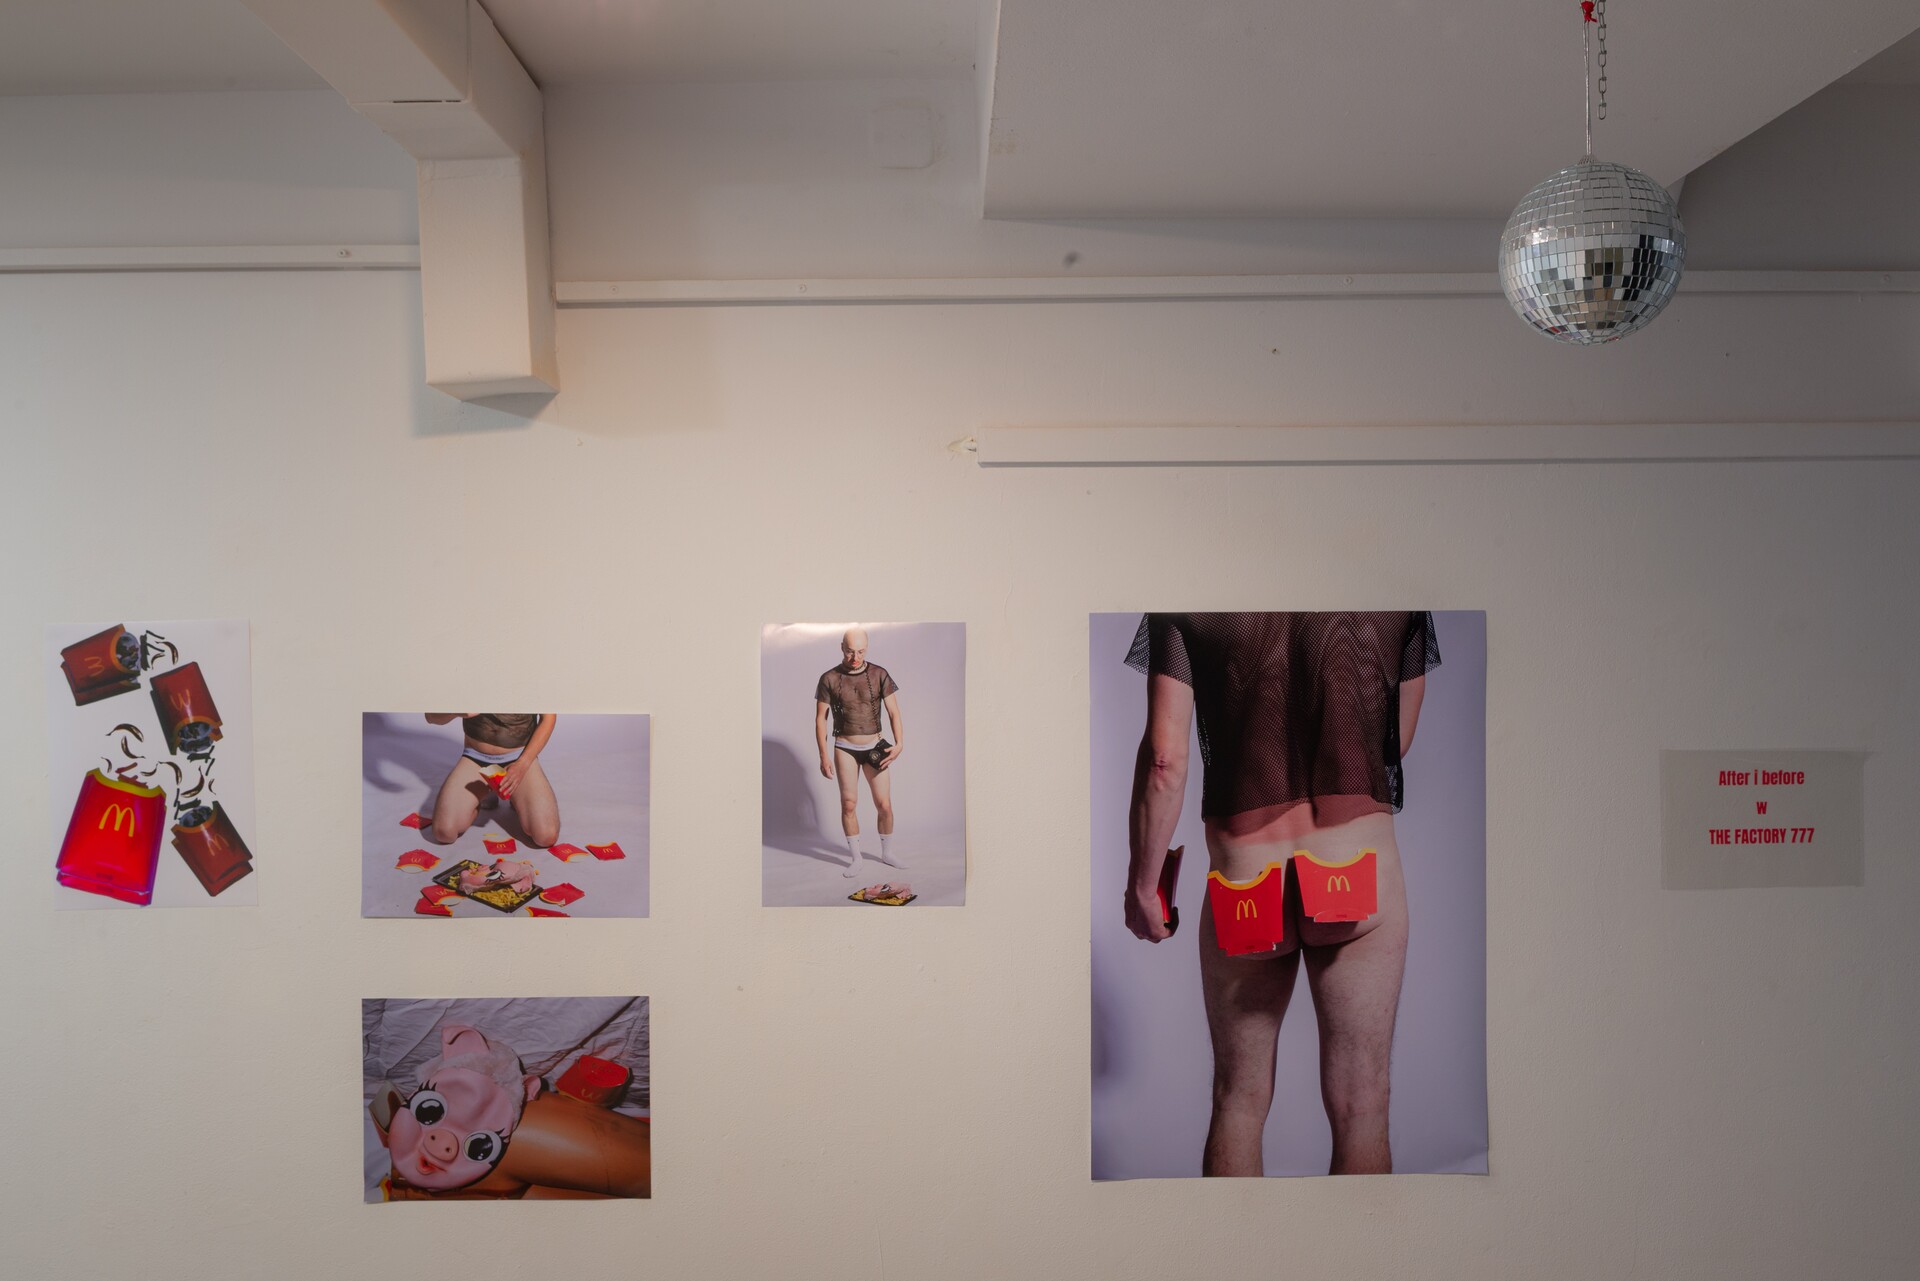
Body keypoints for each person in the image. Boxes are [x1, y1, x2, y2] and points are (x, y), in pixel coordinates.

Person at [1122, 612, 1440, 1176]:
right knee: (1362, 1106)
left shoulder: (1189, 599)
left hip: (1245, 877)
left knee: (1237, 1101)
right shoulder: (1393, 599)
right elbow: (1393, 739)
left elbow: (1164, 762)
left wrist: (1144, 886)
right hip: (1353, 863)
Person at [815, 628, 907, 877]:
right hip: (844, 747)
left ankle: (887, 853)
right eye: (850, 651)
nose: (855, 657)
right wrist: (823, 755)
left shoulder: (879, 674)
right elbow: (821, 719)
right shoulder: (829, 678)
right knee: (848, 804)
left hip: (875, 746)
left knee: (884, 805)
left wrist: (899, 744)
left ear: (867, 648)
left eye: (861, 652)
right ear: (841, 647)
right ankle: (856, 858)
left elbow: (894, 712)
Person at [423, 714, 561, 849]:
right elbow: (431, 717)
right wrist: (458, 711)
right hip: (475, 757)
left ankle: (516, 797)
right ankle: (486, 792)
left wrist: (522, 764)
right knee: (444, 833)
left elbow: (548, 719)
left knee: (545, 836)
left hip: (518, 757)